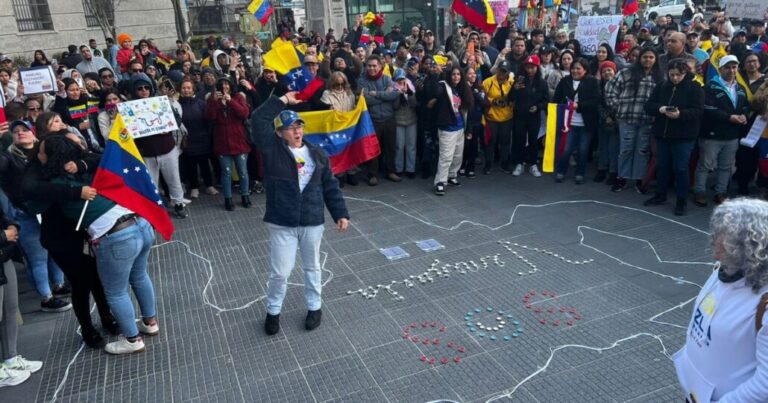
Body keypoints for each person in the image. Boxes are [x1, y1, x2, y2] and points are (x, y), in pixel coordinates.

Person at [31, 135, 159, 355]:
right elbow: (101, 158)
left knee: (116, 292)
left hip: (117, 236)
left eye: (41, 152)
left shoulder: (54, 183)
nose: (37, 155)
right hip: (140, 224)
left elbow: (30, 196)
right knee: (139, 276)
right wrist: (81, 165)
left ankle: (132, 339)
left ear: (52, 157)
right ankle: (150, 323)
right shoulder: (91, 170)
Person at [249, 91, 350, 336]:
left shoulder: (317, 153)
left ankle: (315, 307)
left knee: (312, 266)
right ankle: (273, 311)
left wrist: (340, 213)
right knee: (280, 272)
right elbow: (257, 120)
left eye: (299, 126)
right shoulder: (272, 149)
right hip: (282, 222)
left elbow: (330, 185)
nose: (296, 131)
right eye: (290, 128)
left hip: (312, 220)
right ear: (279, 132)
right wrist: (282, 100)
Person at [674, 198, 768, 402]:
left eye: (724, 237)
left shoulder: (764, 303)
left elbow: (765, 385)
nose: (714, 241)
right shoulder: (724, 269)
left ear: (750, 246)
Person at [643, 58, 704, 216]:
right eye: (672, 74)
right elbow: (648, 105)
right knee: (662, 166)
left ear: (685, 73)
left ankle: (681, 200)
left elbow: (698, 111)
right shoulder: (662, 86)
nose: (675, 78)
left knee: (681, 168)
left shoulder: (695, 87)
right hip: (662, 134)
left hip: (684, 136)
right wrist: (661, 108)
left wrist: (680, 114)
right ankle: (660, 195)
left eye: (678, 74)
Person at [693, 55, 751, 207]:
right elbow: (707, 109)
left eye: (734, 67)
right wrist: (729, 117)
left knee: (726, 166)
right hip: (712, 134)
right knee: (705, 165)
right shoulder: (710, 86)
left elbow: (746, 106)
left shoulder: (740, 88)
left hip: (732, 135)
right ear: (720, 69)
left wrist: (745, 115)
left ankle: (721, 192)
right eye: (728, 67)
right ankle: (699, 191)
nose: (731, 70)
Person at [130, 73, 188, 218]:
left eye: (146, 88)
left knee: (174, 179)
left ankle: (178, 204)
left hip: (166, 148)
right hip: (147, 152)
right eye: (140, 88)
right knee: (151, 184)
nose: (144, 91)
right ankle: (154, 208)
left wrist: (169, 126)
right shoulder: (129, 108)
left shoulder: (161, 102)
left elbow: (177, 119)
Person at [605, 47, 663, 192]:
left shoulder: (659, 77)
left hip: (647, 120)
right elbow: (610, 89)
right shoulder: (626, 72)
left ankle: (639, 179)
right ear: (639, 58)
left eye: (651, 57)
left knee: (642, 151)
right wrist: (617, 107)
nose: (647, 60)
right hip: (627, 119)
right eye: (645, 57)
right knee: (625, 150)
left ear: (655, 60)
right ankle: (622, 178)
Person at [0, 205, 43, 388]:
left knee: (10, 307)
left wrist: (11, 226)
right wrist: (3, 235)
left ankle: (11, 357)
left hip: (4, 254)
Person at [205, 76, 252, 211]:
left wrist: (230, 101)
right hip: (222, 143)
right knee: (226, 173)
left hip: (239, 142)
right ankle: (228, 198)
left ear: (231, 86)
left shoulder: (238, 97)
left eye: (227, 84)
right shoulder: (213, 99)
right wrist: (214, 102)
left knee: (243, 172)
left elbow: (244, 114)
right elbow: (209, 117)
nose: (225, 87)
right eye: (222, 84)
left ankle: (245, 195)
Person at [553, 58, 601, 184]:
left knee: (583, 150)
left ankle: (580, 173)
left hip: (586, 123)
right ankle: (561, 171)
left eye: (578, 68)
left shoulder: (592, 82)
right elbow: (556, 99)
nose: (575, 70)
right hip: (568, 123)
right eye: (573, 68)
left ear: (585, 70)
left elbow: (596, 101)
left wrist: (579, 105)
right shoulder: (565, 81)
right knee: (566, 149)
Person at [358, 55, 400, 185]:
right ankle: (373, 174)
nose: (371, 68)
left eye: (374, 65)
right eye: (369, 66)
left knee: (391, 147)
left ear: (380, 67)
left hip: (389, 119)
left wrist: (376, 94)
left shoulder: (387, 79)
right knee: (373, 149)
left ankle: (391, 171)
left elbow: (395, 94)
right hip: (372, 120)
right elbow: (364, 99)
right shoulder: (362, 81)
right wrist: (385, 94)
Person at [433, 66, 473, 195]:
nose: (456, 77)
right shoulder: (443, 86)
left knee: (457, 155)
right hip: (447, 128)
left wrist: (468, 129)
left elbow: (468, 109)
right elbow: (436, 92)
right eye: (453, 74)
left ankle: (452, 175)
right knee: (446, 156)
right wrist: (438, 75)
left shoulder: (463, 89)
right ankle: (440, 181)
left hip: (460, 127)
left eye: (458, 74)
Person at [510, 55, 548, 177]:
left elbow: (546, 100)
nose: (530, 70)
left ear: (537, 68)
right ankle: (519, 163)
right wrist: (514, 89)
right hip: (520, 115)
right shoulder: (519, 79)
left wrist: (538, 107)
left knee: (533, 140)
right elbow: (510, 97)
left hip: (534, 116)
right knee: (519, 139)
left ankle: (533, 164)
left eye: (532, 67)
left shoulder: (541, 82)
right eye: (528, 67)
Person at [178, 79, 217, 199]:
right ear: (180, 90)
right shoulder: (178, 105)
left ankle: (209, 185)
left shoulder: (201, 103)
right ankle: (194, 187)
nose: (186, 90)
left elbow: (208, 120)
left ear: (193, 89)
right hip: (187, 140)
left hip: (202, 138)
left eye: (188, 88)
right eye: (184, 88)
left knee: (205, 164)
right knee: (191, 166)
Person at [482, 60, 514, 175]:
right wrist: (492, 101)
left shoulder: (512, 83)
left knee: (505, 142)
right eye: (500, 70)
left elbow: (516, 97)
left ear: (508, 73)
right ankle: (488, 163)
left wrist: (509, 102)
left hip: (507, 117)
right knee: (490, 142)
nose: (502, 73)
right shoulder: (488, 82)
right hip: (491, 118)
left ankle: (505, 163)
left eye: (505, 71)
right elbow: (481, 97)